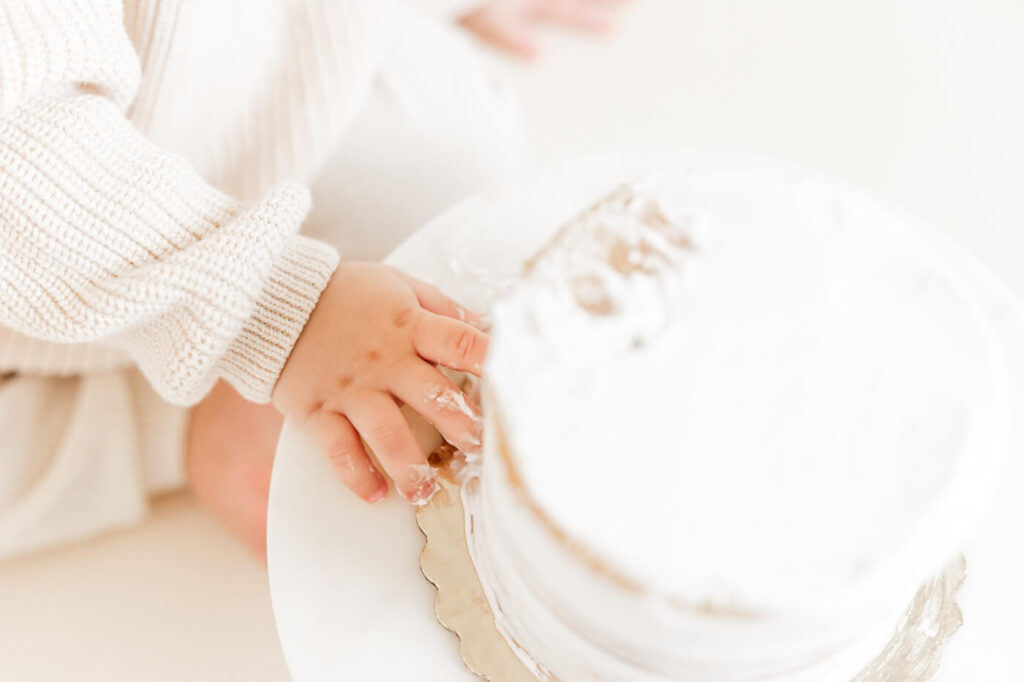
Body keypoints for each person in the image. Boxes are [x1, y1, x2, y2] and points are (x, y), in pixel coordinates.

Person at [0, 0, 628, 561]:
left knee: (458, 164)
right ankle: (169, 421)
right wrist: (279, 311)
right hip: (40, 204)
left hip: (226, 79)